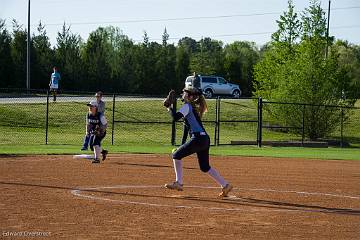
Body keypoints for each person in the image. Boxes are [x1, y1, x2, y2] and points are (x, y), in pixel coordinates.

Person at [164, 86, 233, 197]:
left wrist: (169, 107)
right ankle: (225, 185)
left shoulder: (187, 106)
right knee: (204, 167)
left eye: (184, 92)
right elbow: (187, 129)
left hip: (198, 139)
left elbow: (175, 117)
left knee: (176, 155)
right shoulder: (191, 108)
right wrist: (182, 145)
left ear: (190, 96)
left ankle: (179, 183)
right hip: (204, 139)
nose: (182, 93)